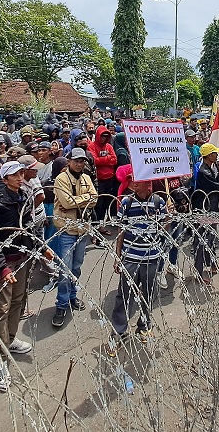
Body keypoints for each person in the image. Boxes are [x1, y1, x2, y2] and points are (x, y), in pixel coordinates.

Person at [0, 161, 40, 391]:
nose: (20, 178)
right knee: (2, 308)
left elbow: (27, 227)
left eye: (21, 174)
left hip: (22, 257)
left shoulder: (23, 196)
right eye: (14, 175)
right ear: (5, 179)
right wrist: (2, 268)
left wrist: (38, 247)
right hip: (6, 262)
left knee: (18, 301)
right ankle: (1, 360)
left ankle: (11, 337)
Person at [107, 179, 166, 355]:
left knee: (148, 294)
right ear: (134, 186)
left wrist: (167, 217)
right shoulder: (126, 203)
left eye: (149, 183)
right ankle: (118, 331)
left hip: (151, 257)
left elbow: (163, 229)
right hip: (131, 257)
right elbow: (121, 231)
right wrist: (118, 257)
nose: (148, 186)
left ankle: (143, 327)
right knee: (124, 295)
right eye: (143, 183)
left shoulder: (158, 202)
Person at [51, 148, 98, 328]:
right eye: (76, 160)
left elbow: (95, 198)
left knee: (76, 267)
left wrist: (79, 199)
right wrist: (85, 199)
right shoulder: (61, 179)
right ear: (69, 161)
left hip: (83, 229)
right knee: (65, 270)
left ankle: (72, 296)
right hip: (67, 230)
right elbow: (66, 202)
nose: (80, 164)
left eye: (82, 161)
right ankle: (61, 305)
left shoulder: (86, 178)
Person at [192, 142, 219, 284]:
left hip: (212, 208)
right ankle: (198, 272)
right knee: (202, 240)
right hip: (205, 210)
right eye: (214, 153)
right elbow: (218, 187)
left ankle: (211, 263)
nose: (217, 155)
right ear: (208, 156)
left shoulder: (211, 168)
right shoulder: (203, 172)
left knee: (211, 237)